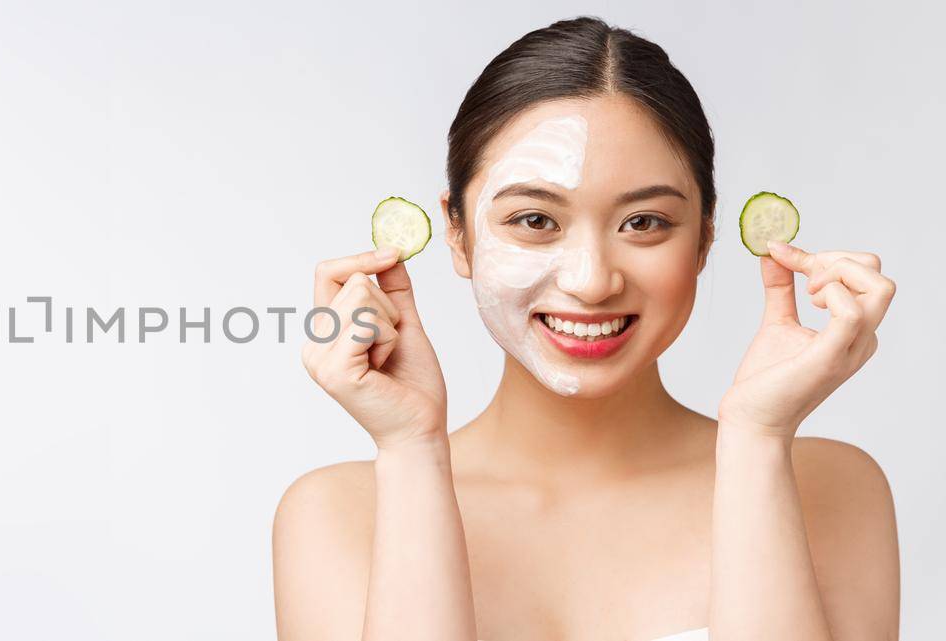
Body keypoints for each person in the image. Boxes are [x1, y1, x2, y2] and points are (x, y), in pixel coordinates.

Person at [272, 16, 899, 641]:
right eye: (535, 220)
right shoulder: (338, 514)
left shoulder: (833, 489)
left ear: (706, 236)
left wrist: (758, 441)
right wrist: (412, 451)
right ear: (457, 236)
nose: (592, 280)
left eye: (644, 222)